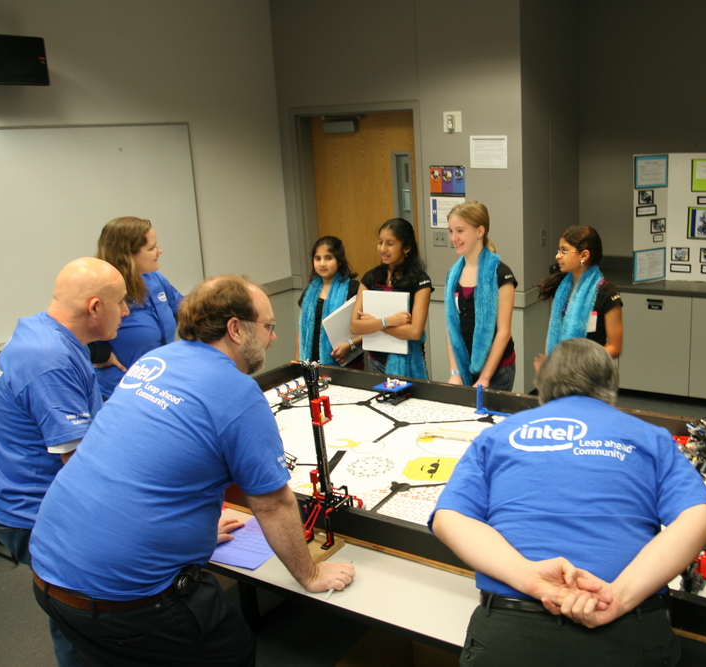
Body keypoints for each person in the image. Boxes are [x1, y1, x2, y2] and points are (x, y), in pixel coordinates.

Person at [28, 275, 355, 667]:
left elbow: (143, 461)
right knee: (232, 649)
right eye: (268, 326)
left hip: (48, 571)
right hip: (126, 599)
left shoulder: (154, 361)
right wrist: (310, 575)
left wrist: (190, 530)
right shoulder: (236, 392)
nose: (272, 337)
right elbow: (272, 504)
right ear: (236, 329)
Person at [431, 338, 706, 666]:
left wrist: (527, 576)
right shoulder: (651, 437)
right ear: (611, 387)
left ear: (543, 385)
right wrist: (618, 596)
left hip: (510, 632)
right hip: (628, 632)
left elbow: (449, 518)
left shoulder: (496, 436)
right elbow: (701, 518)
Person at [0, 257, 129, 667]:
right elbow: (81, 469)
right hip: (38, 514)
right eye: (121, 302)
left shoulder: (49, 336)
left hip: (41, 503)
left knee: (78, 617)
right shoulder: (49, 359)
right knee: (84, 620)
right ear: (95, 307)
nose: (126, 311)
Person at [90, 216, 184, 398]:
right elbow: (71, 332)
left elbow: (183, 309)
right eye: (151, 248)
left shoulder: (154, 278)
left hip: (161, 386)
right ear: (127, 255)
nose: (160, 251)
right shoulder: (101, 290)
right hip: (120, 392)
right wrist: (100, 354)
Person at [444, 201, 517, 391]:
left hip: (497, 370)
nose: (453, 238)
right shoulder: (453, 275)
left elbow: (504, 332)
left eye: (460, 231)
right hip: (464, 365)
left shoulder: (501, 274)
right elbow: (451, 328)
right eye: (451, 231)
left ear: (480, 231)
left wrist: (485, 378)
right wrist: (455, 372)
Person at [534, 225, 623, 374]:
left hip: (591, 375)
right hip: (559, 374)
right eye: (559, 250)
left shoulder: (607, 294)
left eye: (564, 251)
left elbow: (615, 348)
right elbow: (553, 332)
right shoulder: (560, 288)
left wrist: (576, 362)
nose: (558, 256)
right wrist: (548, 364)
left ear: (584, 255)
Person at [351, 218, 432, 379]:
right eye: (380, 242)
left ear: (406, 247)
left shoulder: (420, 280)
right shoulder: (371, 277)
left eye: (390, 243)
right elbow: (355, 326)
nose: (382, 249)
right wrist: (387, 321)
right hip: (376, 361)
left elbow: (415, 332)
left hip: (409, 361)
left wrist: (375, 324)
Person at [296, 235, 362, 366]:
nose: (322, 263)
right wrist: (298, 364)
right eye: (317, 258)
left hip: (345, 364)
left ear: (339, 261)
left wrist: (350, 345)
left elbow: (371, 329)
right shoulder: (310, 290)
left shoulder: (353, 289)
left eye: (328, 258)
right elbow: (301, 333)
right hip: (312, 364)